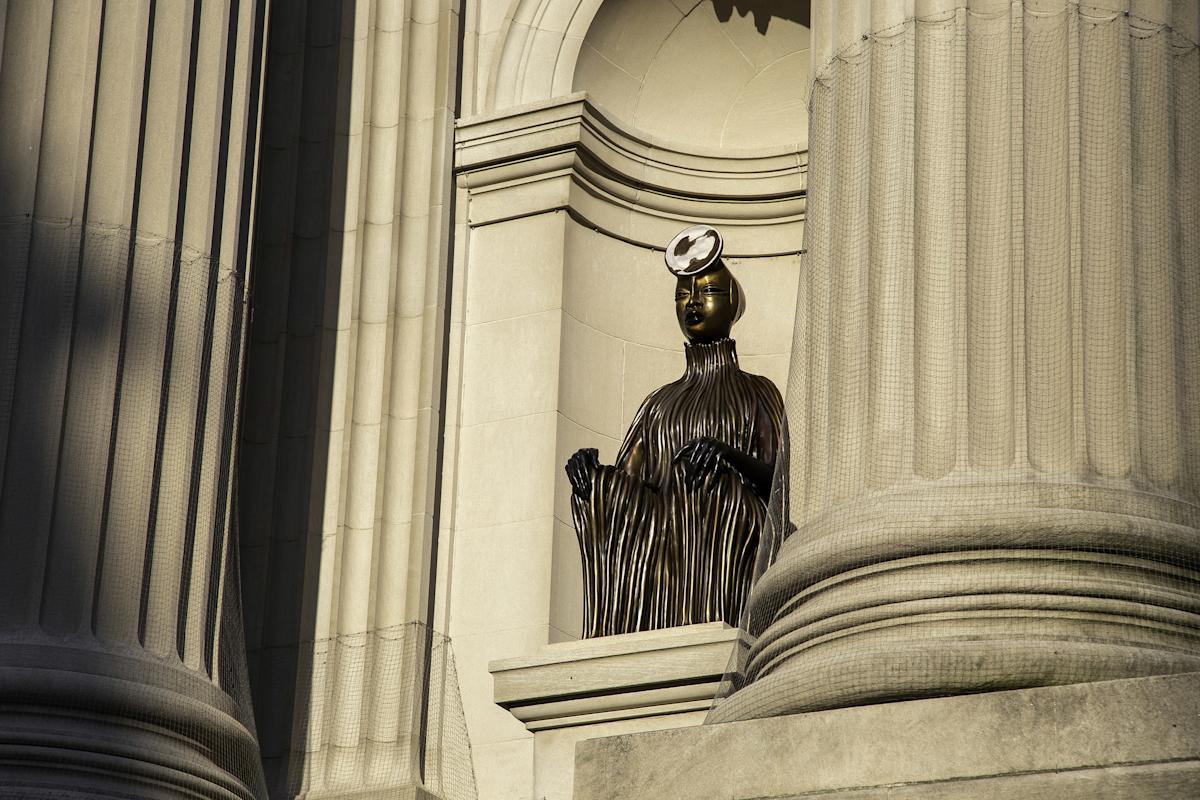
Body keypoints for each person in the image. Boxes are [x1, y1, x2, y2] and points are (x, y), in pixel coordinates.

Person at [565, 225, 785, 637]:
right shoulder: (659, 403)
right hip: (665, 530)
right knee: (604, 491)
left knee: (711, 487)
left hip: (728, 519)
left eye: (708, 292)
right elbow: (632, 479)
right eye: (683, 295)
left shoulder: (757, 391)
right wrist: (593, 477)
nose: (694, 303)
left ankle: (714, 622)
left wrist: (726, 455)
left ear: (732, 303)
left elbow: (778, 481)